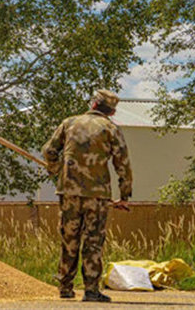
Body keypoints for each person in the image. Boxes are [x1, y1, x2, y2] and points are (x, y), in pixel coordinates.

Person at [42, 89, 132, 302]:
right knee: (93, 241)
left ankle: (65, 287)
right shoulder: (111, 129)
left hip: (69, 192)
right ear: (110, 112)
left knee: (69, 239)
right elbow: (123, 164)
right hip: (97, 195)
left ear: (93, 105)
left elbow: (49, 151)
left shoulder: (69, 123)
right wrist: (125, 195)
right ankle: (91, 290)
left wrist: (55, 169)